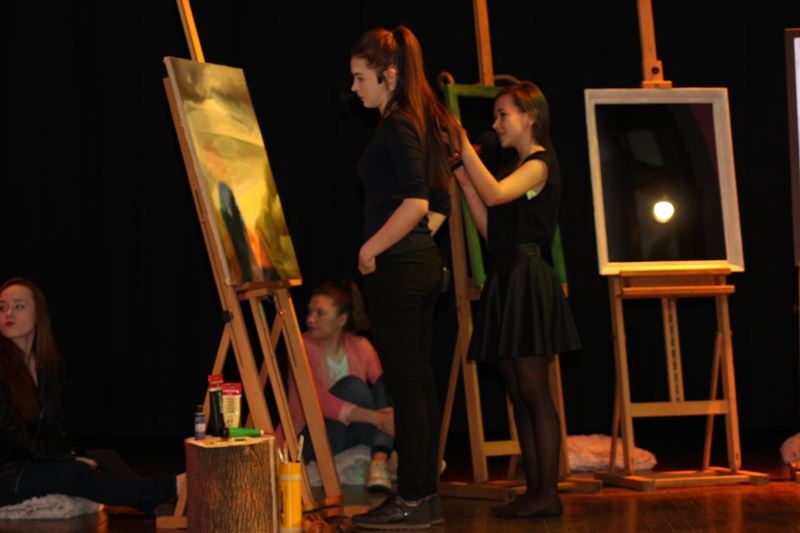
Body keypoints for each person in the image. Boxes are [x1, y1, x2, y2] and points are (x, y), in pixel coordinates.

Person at [348, 25, 461, 529]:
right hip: (419, 266)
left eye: (360, 77)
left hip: (400, 272)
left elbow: (417, 202)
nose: (354, 88)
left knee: (408, 388)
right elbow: (437, 203)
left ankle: (413, 496)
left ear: (388, 75)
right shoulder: (416, 119)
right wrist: (416, 245)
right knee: (420, 386)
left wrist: (372, 248)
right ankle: (424, 495)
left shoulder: (398, 124)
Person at [453, 81, 581, 519]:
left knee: (533, 389)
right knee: (516, 390)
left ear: (530, 116)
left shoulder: (540, 165)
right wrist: (465, 183)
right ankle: (536, 490)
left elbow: (495, 193)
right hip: (507, 277)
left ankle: (548, 493)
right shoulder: (513, 169)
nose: (495, 124)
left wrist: (463, 147)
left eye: (503, 114)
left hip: (528, 279)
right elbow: (493, 232)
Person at [0, 277, 183, 515]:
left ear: (38, 316)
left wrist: (70, 454)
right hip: (8, 476)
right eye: (2, 307)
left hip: (34, 462)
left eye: (19, 306)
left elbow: (55, 429)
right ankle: (170, 485)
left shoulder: (48, 367)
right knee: (76, 473)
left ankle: (157, 506)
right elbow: (15, 438)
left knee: (105, 456)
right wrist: (64, 459)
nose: (8, 313)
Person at [282, 281, 396, 491]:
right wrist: (378, 418)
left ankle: (379, 460)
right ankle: (393, 458)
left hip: (351, 436)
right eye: (309, 312)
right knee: (353, 387)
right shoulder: (301, 346)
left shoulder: (361, 346)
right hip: (312, 439)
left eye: (320, 313)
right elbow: (317, 400)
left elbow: (383, 393)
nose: (310, 319)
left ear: (342, 319)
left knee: (385, 384)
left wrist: (387, 417)